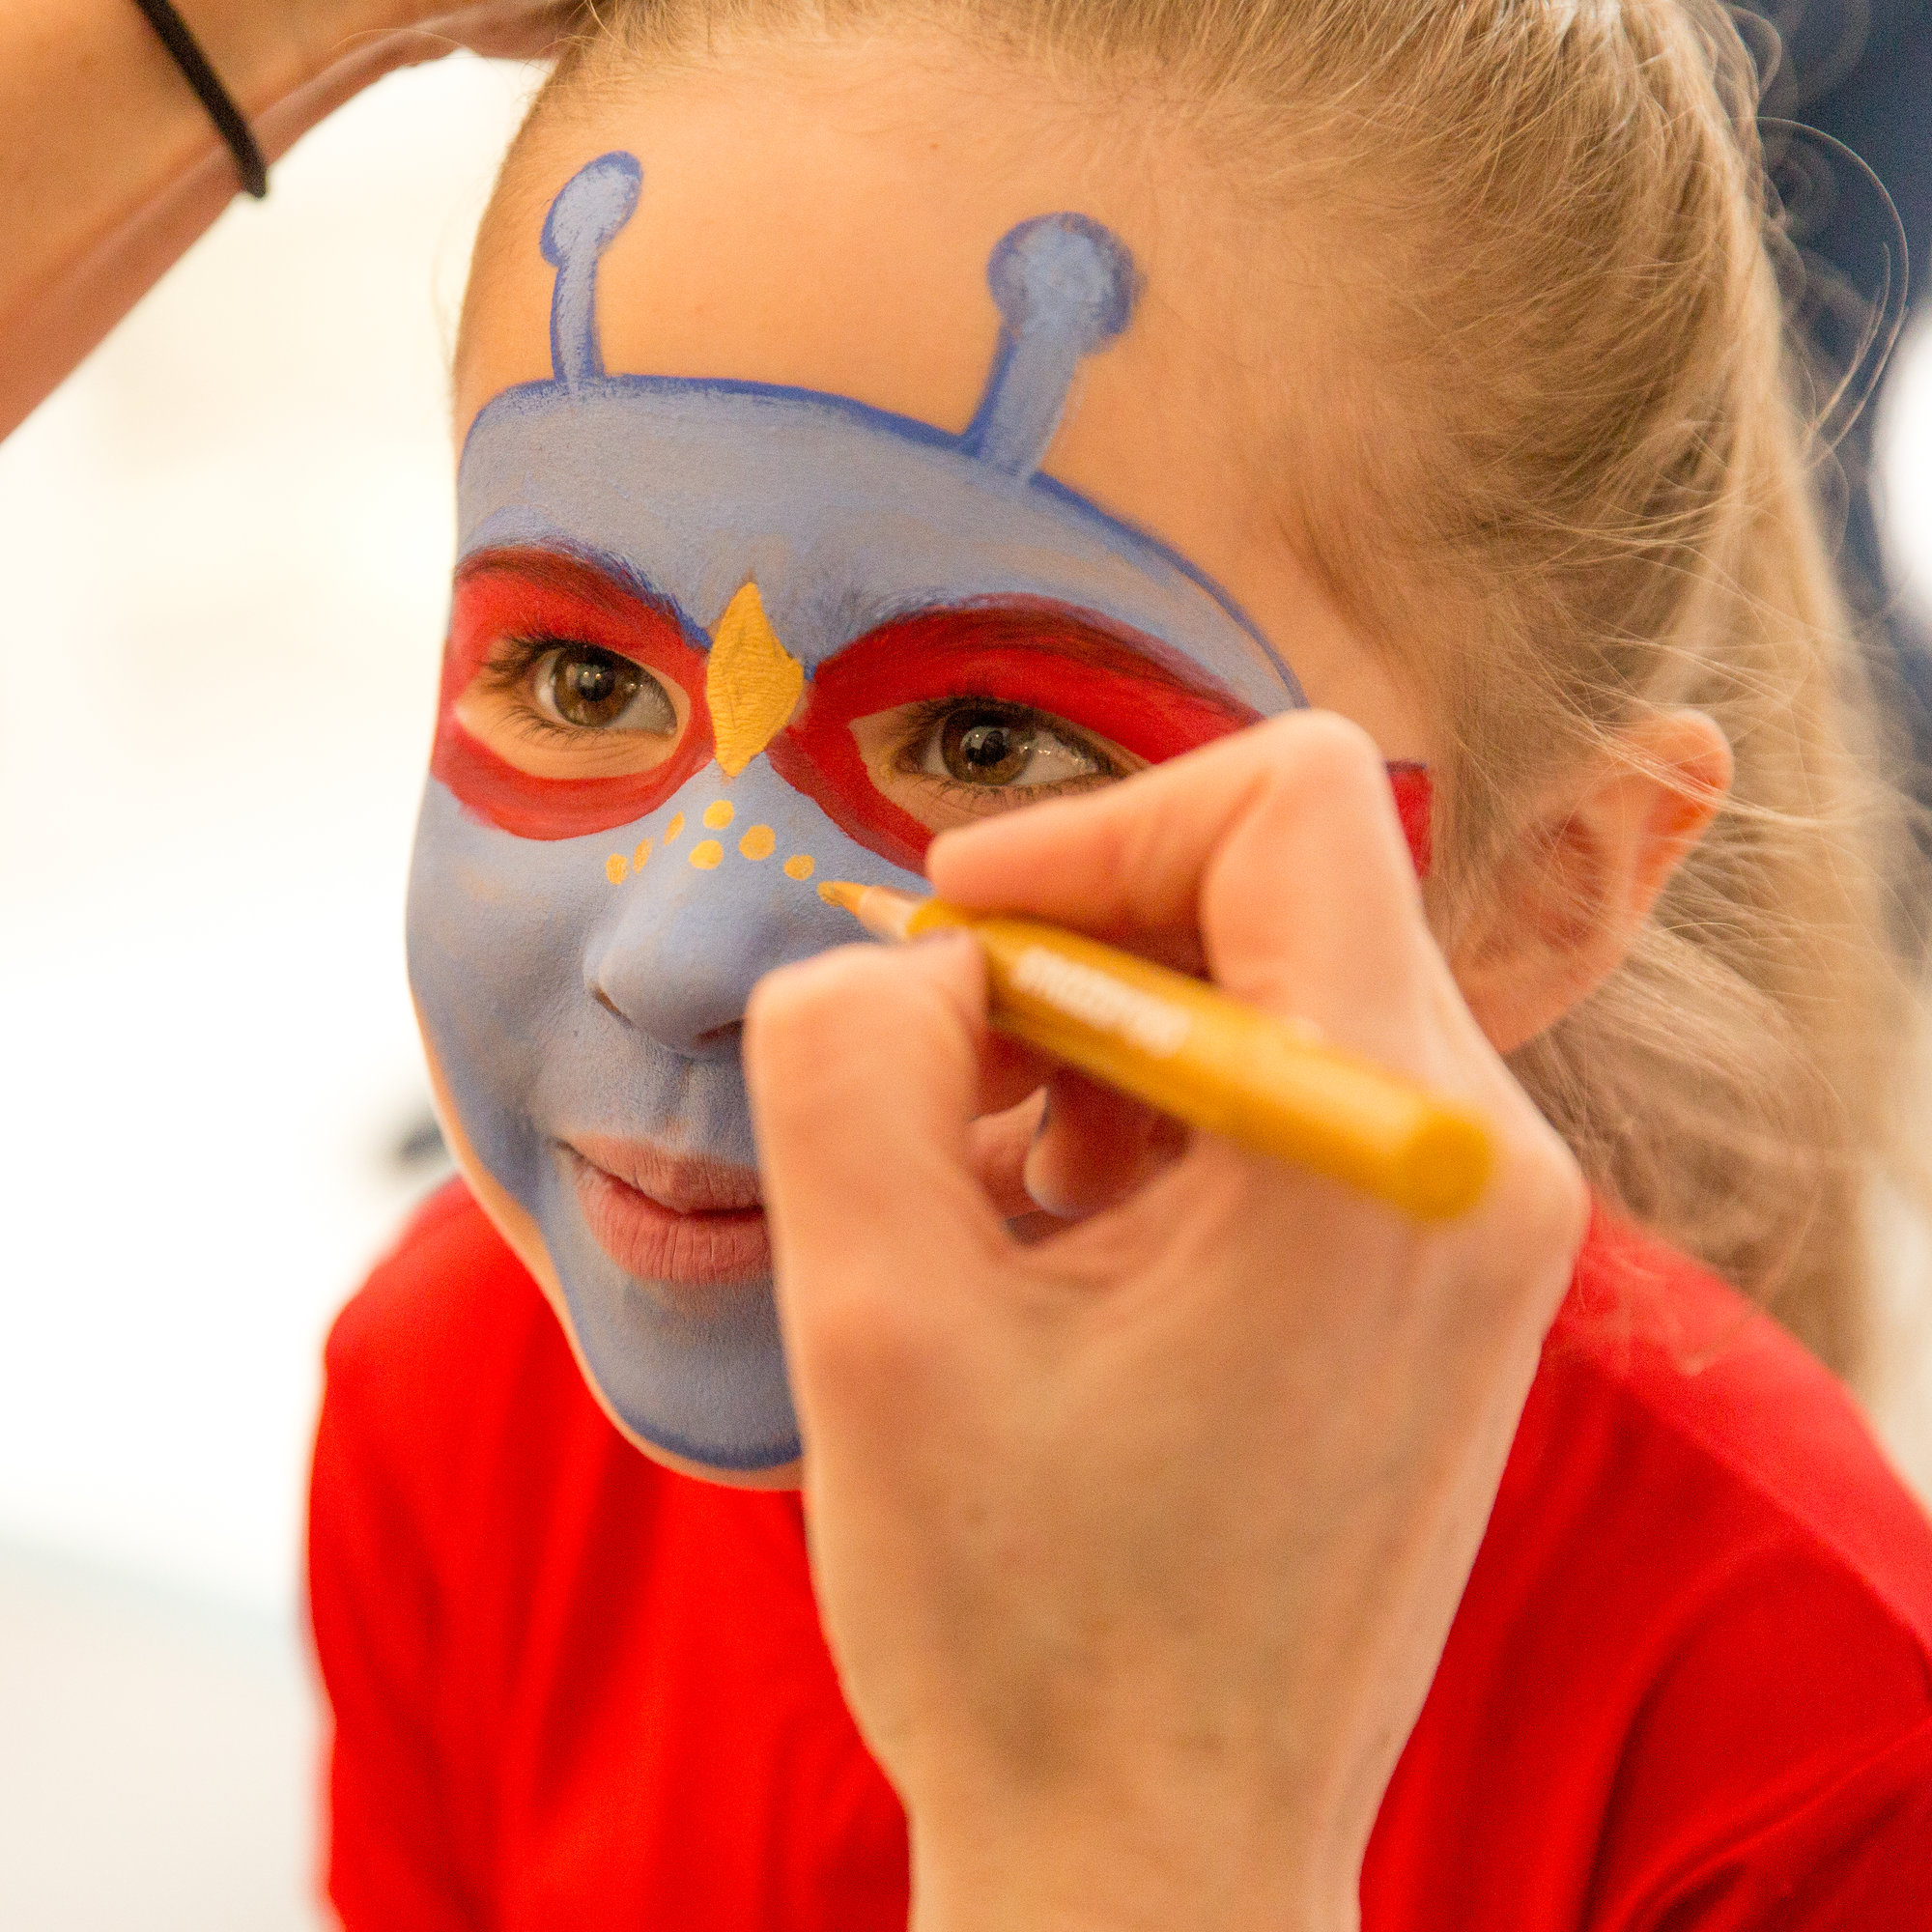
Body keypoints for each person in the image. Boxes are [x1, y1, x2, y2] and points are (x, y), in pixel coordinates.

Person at [7, 2, 1931, 1927]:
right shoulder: (455, 1401)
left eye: (991, 741)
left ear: (1534, 892)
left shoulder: (1815, 1744)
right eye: (580, 677)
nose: (679, 952)